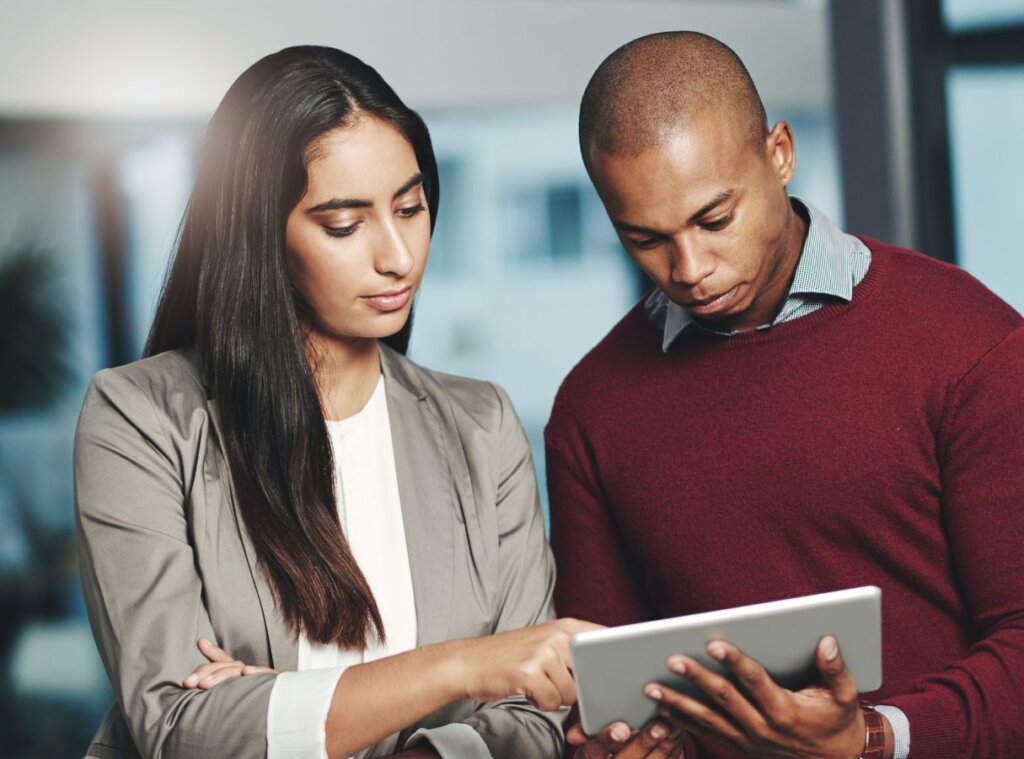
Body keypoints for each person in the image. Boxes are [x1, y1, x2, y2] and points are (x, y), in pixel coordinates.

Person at [74, 46, 594, 759]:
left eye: (411, 207)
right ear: (262, 235)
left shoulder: (482, 426)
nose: (398, 256)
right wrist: (466, 663)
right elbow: (179, 728)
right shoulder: (140, 418)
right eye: (345, 225)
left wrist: (281, 715)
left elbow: (526, 721)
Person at [546, 31, 1024, 759]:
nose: (690, 267)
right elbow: (607, 684)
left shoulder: (968, 342)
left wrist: (871, 737)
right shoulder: (591, 409)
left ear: (780, 154)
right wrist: (617, 745)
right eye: (644, 238)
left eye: (715, 219)